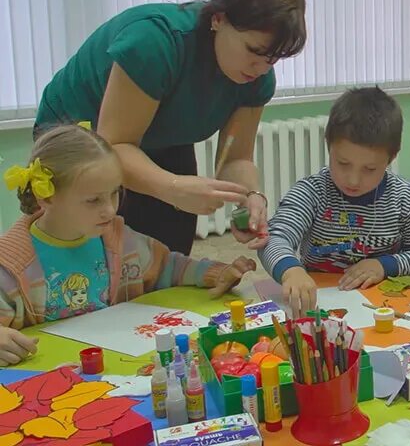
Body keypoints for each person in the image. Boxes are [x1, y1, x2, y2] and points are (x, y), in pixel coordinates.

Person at [34, 0, 307, 256]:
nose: (262, 68)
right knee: (92, 254)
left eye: (274, 58)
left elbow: (236, 157)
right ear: (218, 19)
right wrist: (173, 188)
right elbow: (115, 146)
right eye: (254, 51)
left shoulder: (257, 75)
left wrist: (250, 197)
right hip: (83, 140)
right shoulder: (154, 42)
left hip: (160, 139)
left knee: (168, 253)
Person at [0, 124, 256, 367]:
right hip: (50, 380)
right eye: (93, 200)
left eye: (114, 193)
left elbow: (169, 266)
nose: (110, 209)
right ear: (46, 198)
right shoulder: (12, 265)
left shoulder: (118, 239)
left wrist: (216, 273)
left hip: (115, 368)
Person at [259, 87, 410, 315]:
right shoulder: (311, 192)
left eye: (370, 169)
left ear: (391, 158)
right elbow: (273, 238)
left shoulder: (406, 198)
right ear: (329, 147)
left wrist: (384, 265)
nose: (353, 180)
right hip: (320, 301)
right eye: (343, 163)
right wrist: (291, 271)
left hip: (385, 303)